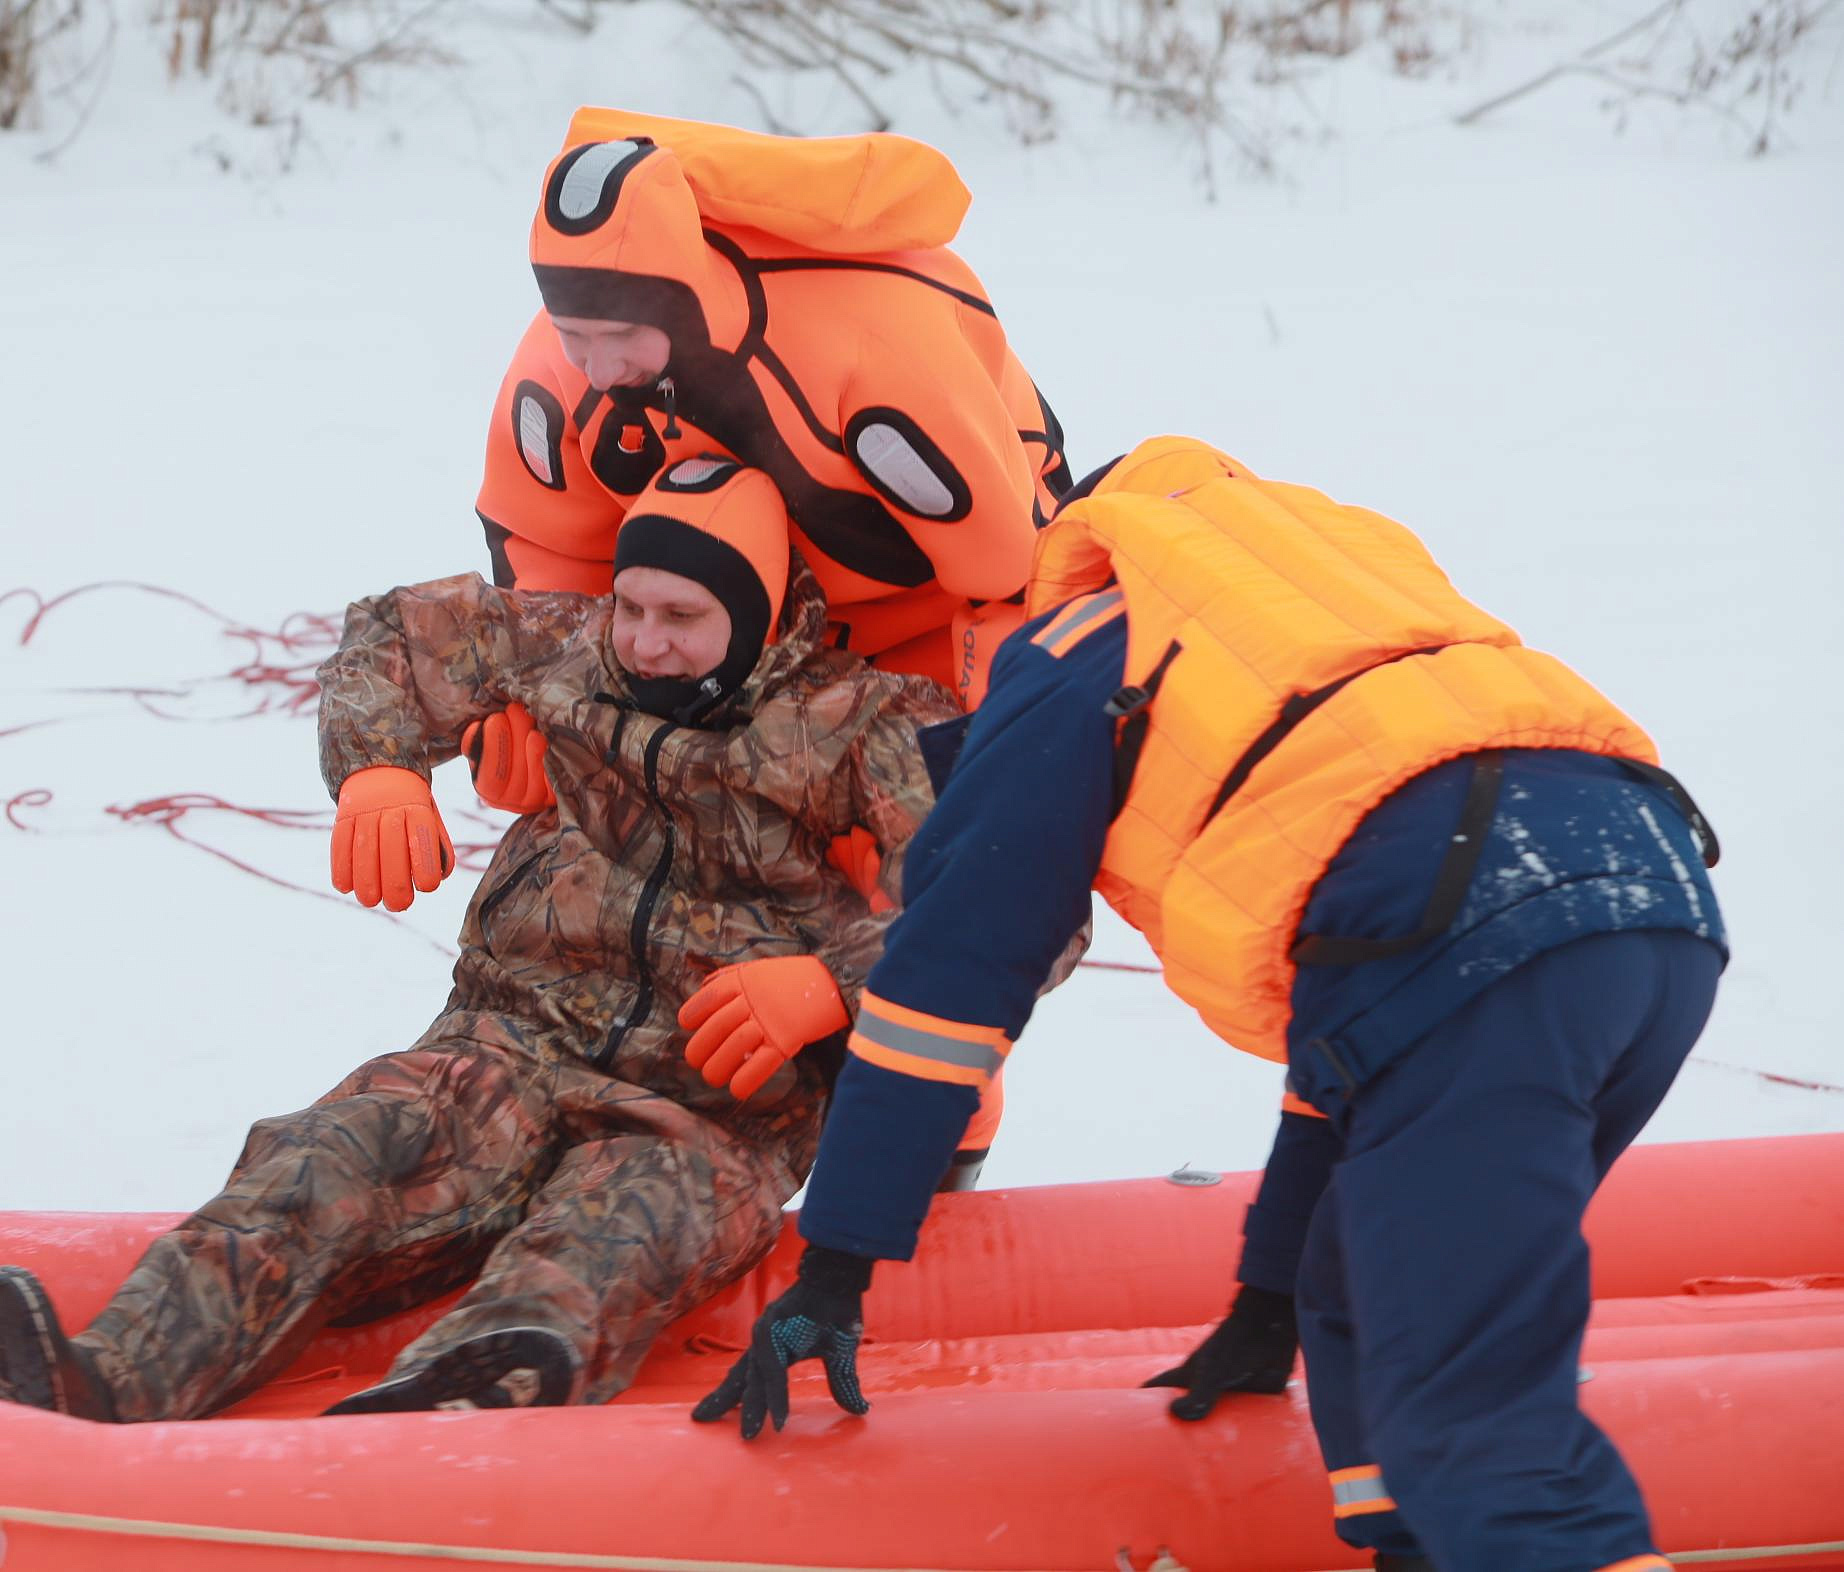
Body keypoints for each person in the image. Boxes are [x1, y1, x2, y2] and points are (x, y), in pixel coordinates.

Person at [693, 436, 1727, 1572]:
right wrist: (1269, 1296)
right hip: (1645, 906)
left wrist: (834, 1266)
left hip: (1475, 936)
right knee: (1360, 1282)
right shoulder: (1338, 600)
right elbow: (1364, 1046)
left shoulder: (1092, 633)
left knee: (1473, 1415)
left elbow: (950, 975)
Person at [0, 457, 961, 1422]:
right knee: (330, 1155)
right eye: (632, 606)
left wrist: (837, 981)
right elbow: (391, 630)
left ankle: (446, 1418)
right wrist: (378, 765)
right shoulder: (572, 647)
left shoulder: (859, 721)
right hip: (508, 1041)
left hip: (707, 1101)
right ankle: (106, 1382)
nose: (645, 641)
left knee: (612, 1239)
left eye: (683, 618)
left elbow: (998, 899)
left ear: (750, 615)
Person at [462, 110, 1072, 817]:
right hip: (724, 626)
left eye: (625, 335)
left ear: (683, 299)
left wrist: (988, 754)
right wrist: (553, 708)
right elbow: (545, 550)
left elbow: (1008, 585)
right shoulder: (555, 378)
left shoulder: (878, 359)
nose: (599, 366)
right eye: (574, 335)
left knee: (939, 826)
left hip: (929, 603)